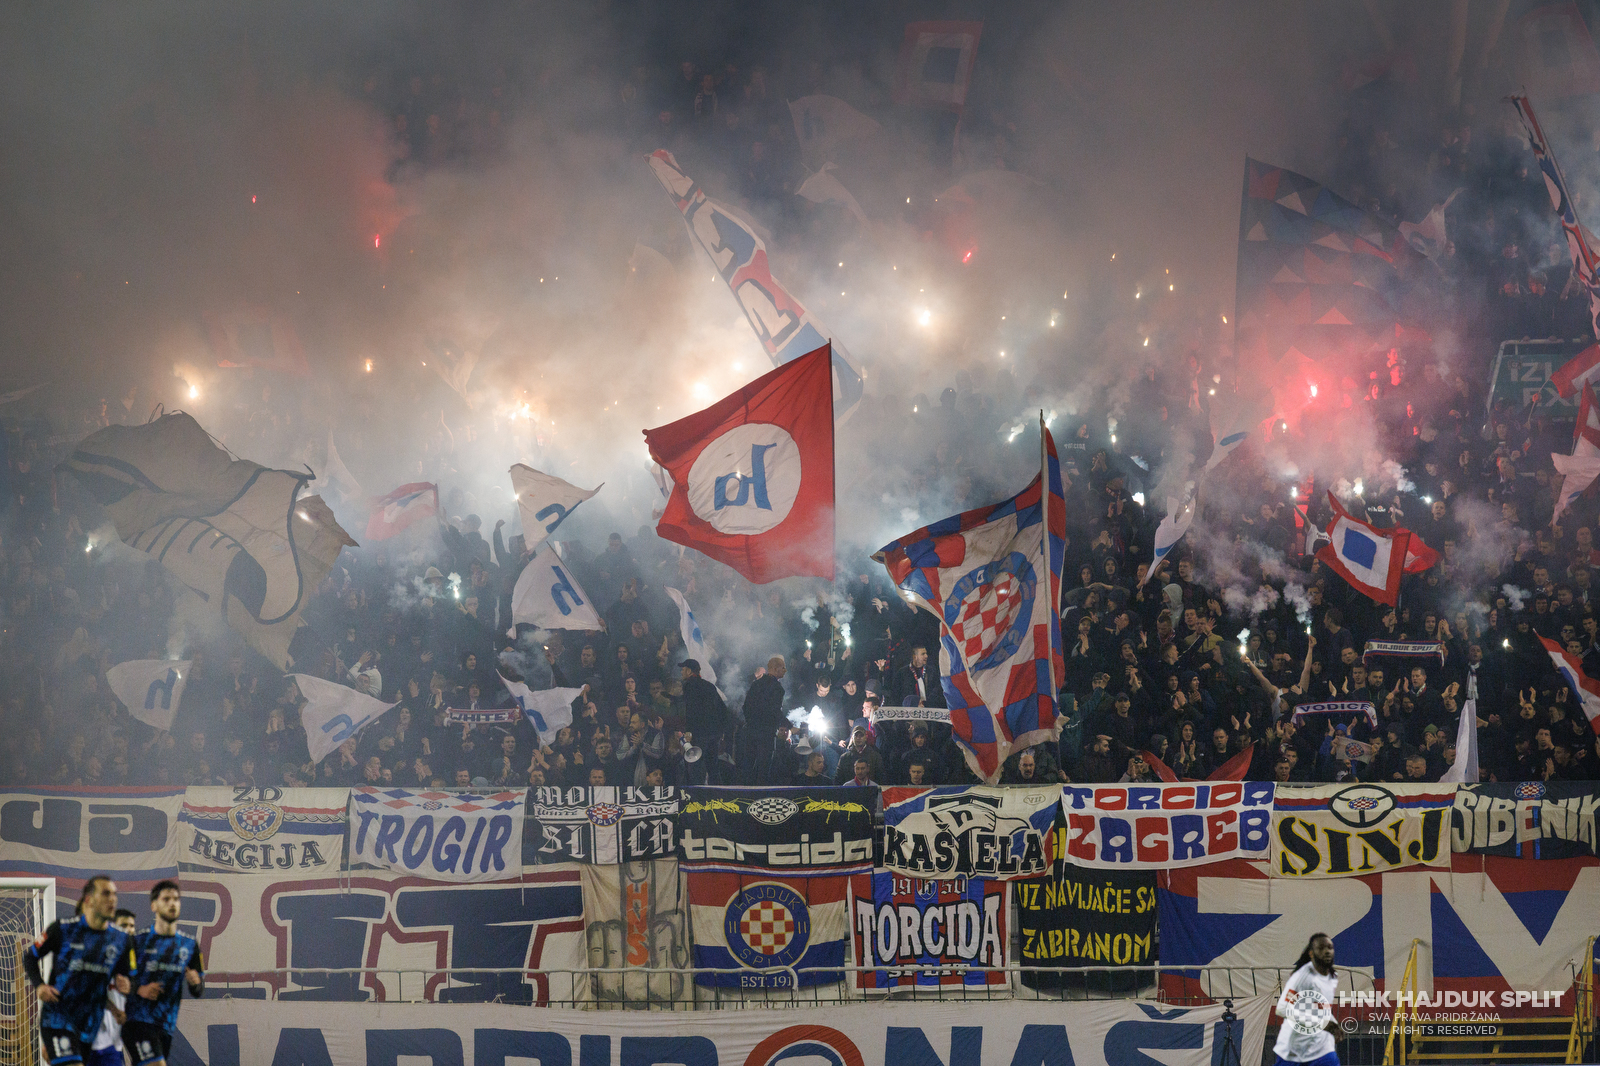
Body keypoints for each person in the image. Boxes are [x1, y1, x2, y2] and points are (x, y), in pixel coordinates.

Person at [23, 876, 135, 1066]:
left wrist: (130, 986)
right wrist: (40, 985)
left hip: (90, 1026)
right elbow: (30, 957)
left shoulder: (122, 940)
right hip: (58, 1019)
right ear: (89, 900)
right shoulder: (62, 929)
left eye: (115, 894)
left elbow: (133, 977)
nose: (113, 899)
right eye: (106, 893)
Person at [123, 880, 205, 1066]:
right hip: (137, 1021)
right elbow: (120, 978)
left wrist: (195, 983)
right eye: (166, 899)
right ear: (154, 905)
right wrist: (140, 989)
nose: (172, 903)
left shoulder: (190, 945)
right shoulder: (138, 942)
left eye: (176, 899)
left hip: (165, 1025)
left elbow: (198, 991)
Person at [1273, 933, 1341, 1066]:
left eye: (1330, 947)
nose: (1327, 951)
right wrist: (1321, 1023)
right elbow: (1282, 1009)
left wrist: (1334, 1024)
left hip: (1320, 1049)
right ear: (1311, 953)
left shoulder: (1330, 978)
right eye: (1321, 948)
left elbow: (1322, 1008)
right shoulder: (1302, 977)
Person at [86, 909, 139, 1066]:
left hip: (115, 1039)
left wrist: (132, 988)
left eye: (132, 925)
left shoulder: (135, 959)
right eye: (124, 925)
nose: (129, 929)